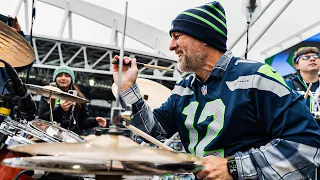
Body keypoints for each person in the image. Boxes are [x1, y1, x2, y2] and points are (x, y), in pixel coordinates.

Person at [113, 1, 320, 179]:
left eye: (177, 36)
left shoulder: (257, 77)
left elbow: (307, 146)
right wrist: (127, 87)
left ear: (203, 38)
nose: (171, 46)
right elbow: (152, 133)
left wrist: (234, 167)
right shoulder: (183, 89)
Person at [38, 65, 106, 135]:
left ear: (71, 79)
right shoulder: (47, 95)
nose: (63, 78)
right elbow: (42, 119)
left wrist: (95, 121)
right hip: (51, 137)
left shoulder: (79, 98)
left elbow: (82, 122)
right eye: (59, 75)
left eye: (67, 75)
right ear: (55, 79)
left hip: (72, 139)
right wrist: (60, 109)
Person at [285, 47, 320, 180]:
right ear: (296, 64)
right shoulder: (287, 85)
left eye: (316, 56)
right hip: (298, 144)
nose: (312, 59)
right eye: (306, 57)